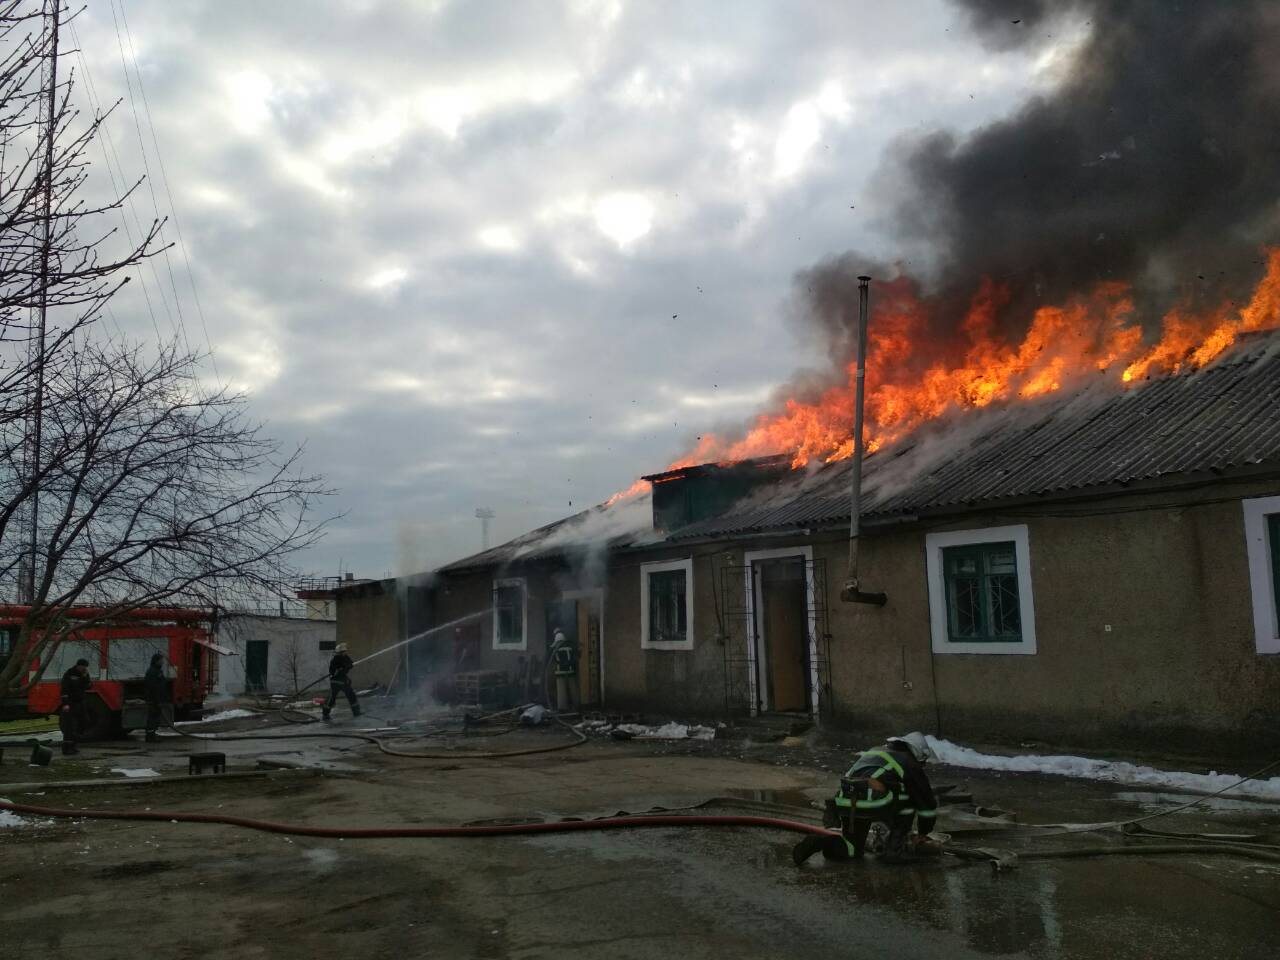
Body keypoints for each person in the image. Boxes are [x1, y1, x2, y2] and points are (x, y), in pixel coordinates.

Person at [793, 731, 940, 866]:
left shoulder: (876, 750)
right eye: (923, 761)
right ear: (917, 752)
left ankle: (820, 842)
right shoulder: (909, 761)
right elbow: (926, 803)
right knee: (909, 800)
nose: (923, 764)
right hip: (872, 801)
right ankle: (894, 852)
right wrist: (923, 832)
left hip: (847, 800)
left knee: (852, 849)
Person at [59, 658, 93, 755]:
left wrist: (85, 677)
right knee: (69, 726)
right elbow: (64, 689)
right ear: (78, 665)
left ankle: (74, 744)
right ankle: (67, 748)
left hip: (81, 703)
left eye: (85, 667)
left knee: (84, 722)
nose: (84, 669)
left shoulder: (84, 674)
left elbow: (89, 686)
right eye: (83, 667)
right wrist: (65, 703)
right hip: (70, 703)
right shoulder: (70, 673)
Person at [322, 642, 360, 721]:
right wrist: (339, 669)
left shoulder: (346, 657)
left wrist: (349, 665)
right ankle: (325, 714)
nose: (345, 653)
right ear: (339, 652)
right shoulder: (335, 660)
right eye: (343, 652)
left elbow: (350, 663)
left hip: (343, 680)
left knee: (351, 695)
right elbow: (332, 672)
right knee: (332, 698)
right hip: (336, 681)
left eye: (345, 651)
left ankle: (357, 712)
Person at [549, 627, 577, 712]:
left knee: (562, 691)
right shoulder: (570, 647)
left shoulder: (555, 649)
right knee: (573, 690)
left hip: (560, 672)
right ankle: (576, 706)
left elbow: (552, 658)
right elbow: (575, 657)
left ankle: (562, 708)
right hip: (570, 671)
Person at [143, 652, 170, 743]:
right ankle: (150, 736)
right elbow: (153, 688)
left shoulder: (157, 671)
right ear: (156, 661)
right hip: (153, 700)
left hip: (156, 699)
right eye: (161, 660)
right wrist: (157, 700)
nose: (163, 662)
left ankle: (152, 734)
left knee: (155, 717)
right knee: (152, 718)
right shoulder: (152, 672)